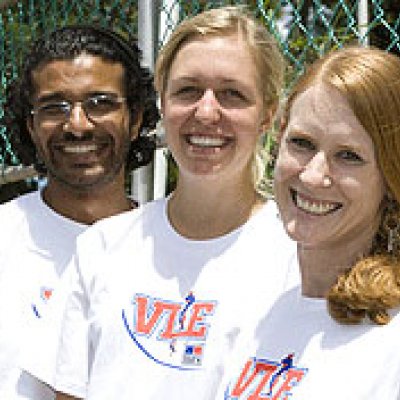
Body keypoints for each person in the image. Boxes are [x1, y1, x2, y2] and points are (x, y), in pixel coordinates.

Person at [31, 6, 295, 400]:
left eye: (232, 94)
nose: (206, 112)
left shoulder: (300, 258)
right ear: (163, 103)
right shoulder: (101, 249)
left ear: (267, 116)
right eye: (188, 90)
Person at [222, 47, 400, 399]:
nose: (313, 175)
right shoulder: (258, 313)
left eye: (348, 156)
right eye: (302, 144)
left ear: (390, 178)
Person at [0, 25, 159, 399]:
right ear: (32, 126)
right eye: (55, 107)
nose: (77, 125)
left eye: (100, 103)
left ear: (135, 119)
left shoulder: (165, 251)